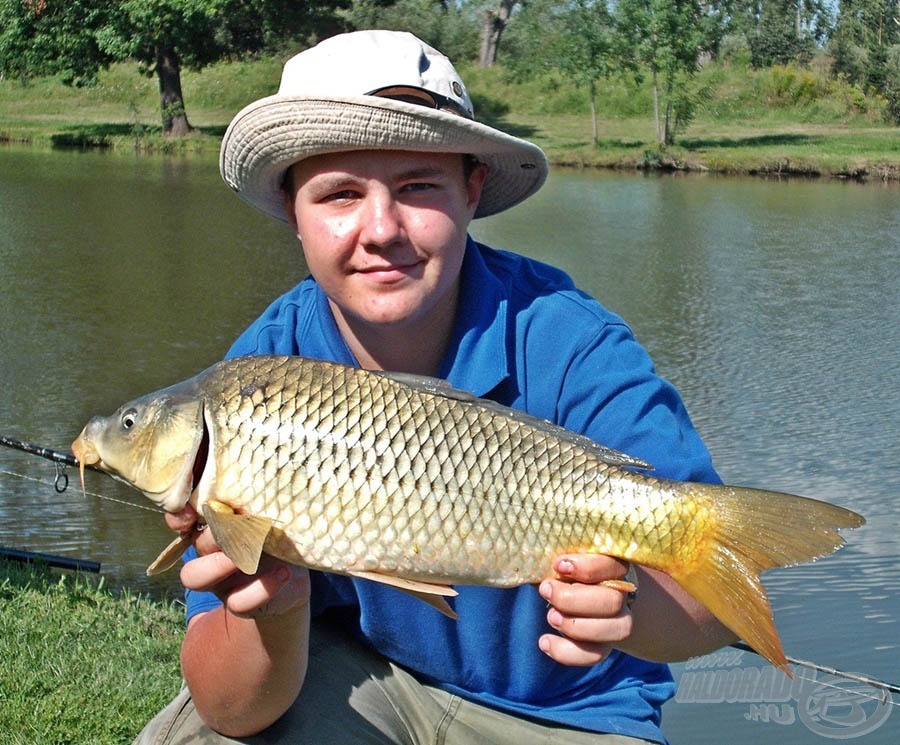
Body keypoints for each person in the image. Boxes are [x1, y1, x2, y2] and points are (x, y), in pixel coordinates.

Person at [135, 29, 736, 745]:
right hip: (363, 678)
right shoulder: (258, 380)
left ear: (471, 189)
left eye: (418, 186)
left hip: (568, 715)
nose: (381, 228)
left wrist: (634, 614)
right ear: (293, 211)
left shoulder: (572, 343)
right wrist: (272, 608)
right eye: (340, 194)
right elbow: (232, 709)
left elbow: (712, 609)